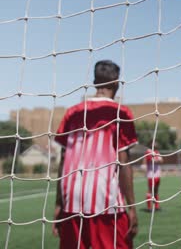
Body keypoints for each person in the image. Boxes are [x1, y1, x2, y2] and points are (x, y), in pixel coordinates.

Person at [53, 60, 138, 249]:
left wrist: (59, 202)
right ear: (117, 83)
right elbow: (123, 163)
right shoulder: (121, 112)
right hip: (107, 202)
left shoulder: (72, 112)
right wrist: (132, 207)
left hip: (72, 202)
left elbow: (63, 161)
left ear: (94, 82)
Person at [145, 144, 163, 211]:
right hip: (151, 175)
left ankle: (156, 206)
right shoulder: (148, 151)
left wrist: (157, 160)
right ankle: (149, 207)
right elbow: (150, 160)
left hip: (157, 174)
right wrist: (157, 160)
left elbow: (161, 161)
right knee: (150, 190)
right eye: (155, 143)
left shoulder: (157, 152)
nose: (156, 144)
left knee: (156, 190)